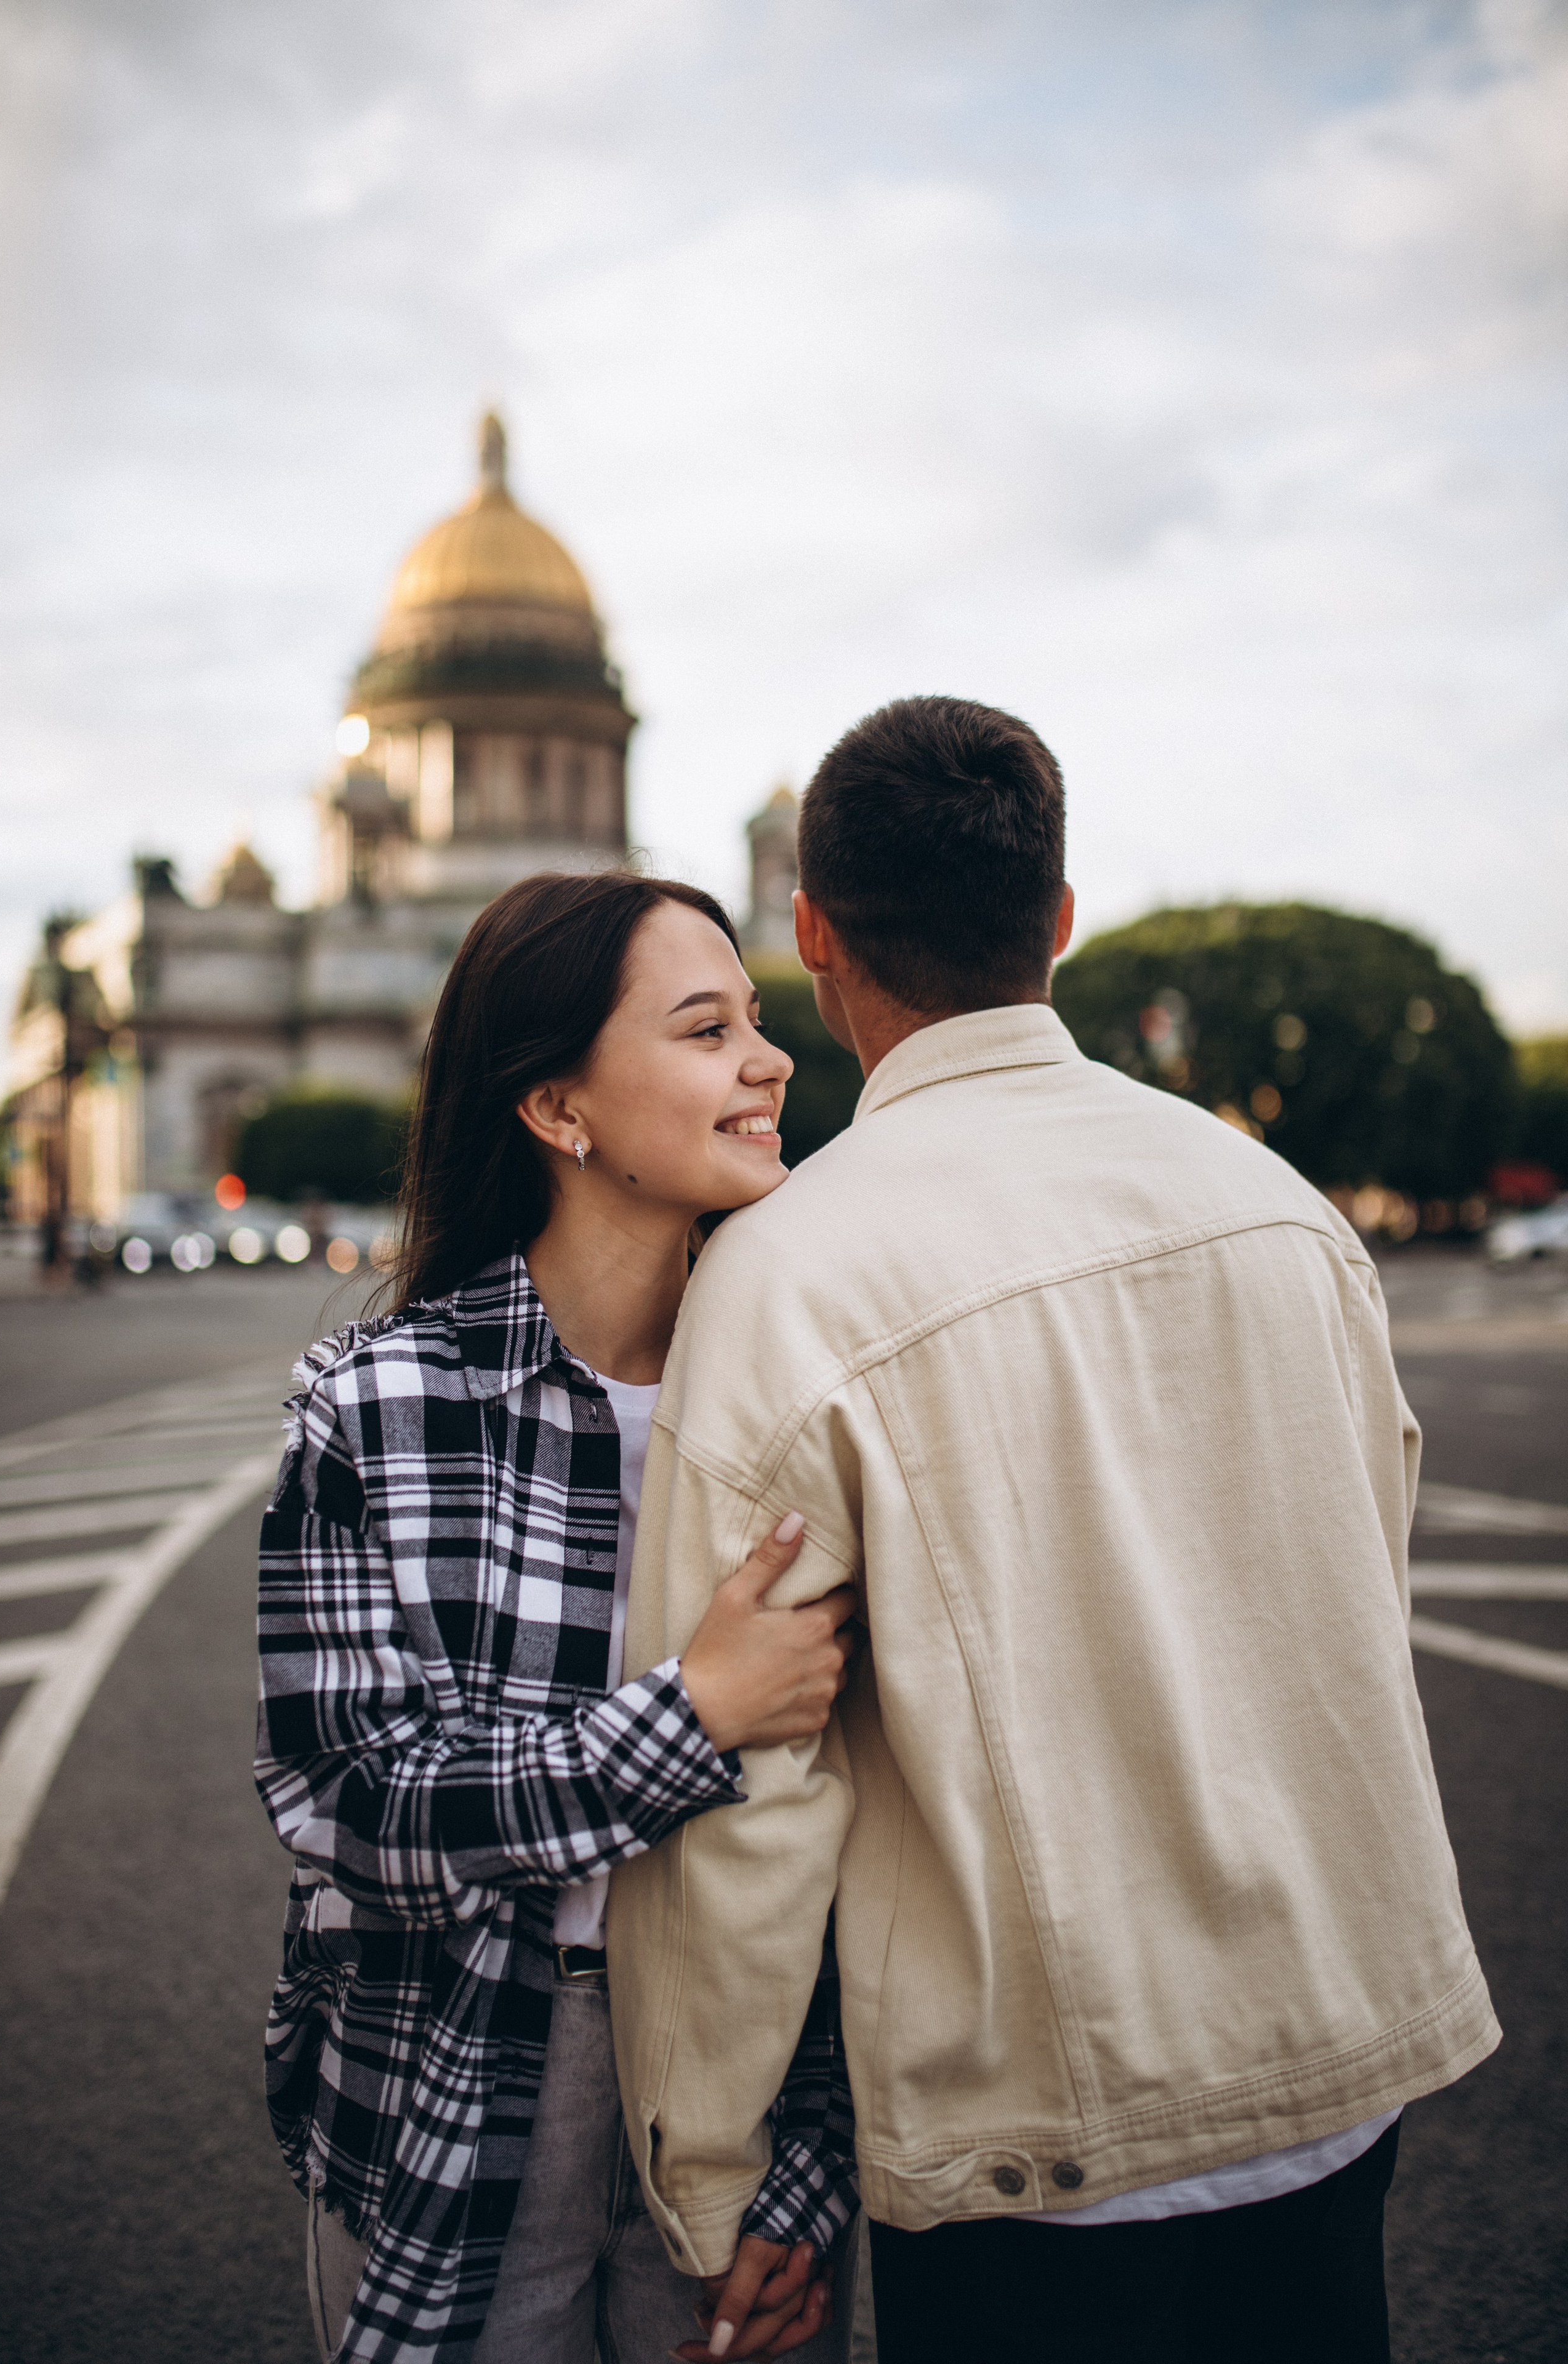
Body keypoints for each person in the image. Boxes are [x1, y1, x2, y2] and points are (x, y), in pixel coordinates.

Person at [608, 696, 1500, 2364]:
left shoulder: (793, 1272)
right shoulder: (1281, 1209)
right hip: (1332, 2057)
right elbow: (1358, 1598)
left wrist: (709, 2170)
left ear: (812, 933)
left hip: (1039, 2137)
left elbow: (749, 1784)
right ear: (1063, 923)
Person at [254, 871, 860, 2364]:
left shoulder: (824, 1398)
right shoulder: (379, 1405)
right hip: (449, 2080)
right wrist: (687, 1721)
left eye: (759, 1022)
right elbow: (347, 1803)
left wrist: (817, 2172)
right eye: (706, 1029)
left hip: (745, 2095)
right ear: (556, 1108)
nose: (770, 1061)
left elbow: (878, 1832)